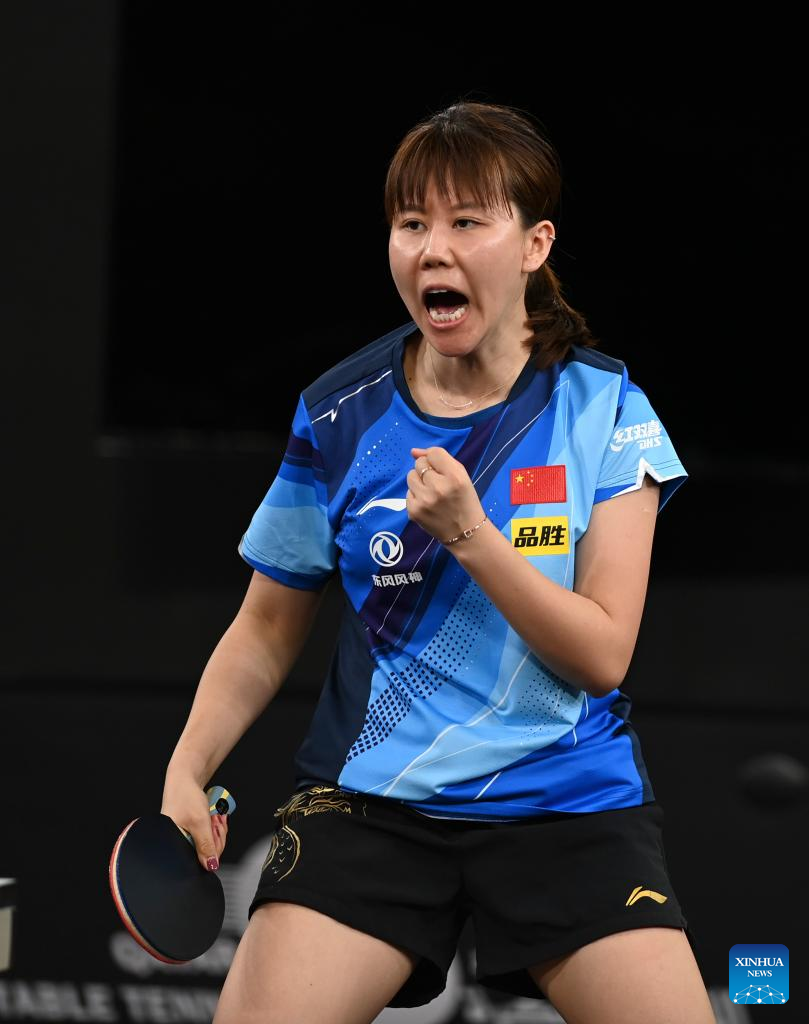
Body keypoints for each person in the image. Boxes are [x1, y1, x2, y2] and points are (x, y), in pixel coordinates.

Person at [161, 100, 717, 1023]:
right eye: (411, 223)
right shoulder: (340, 415)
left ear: (534, 245)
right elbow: (264, 627)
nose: (432, 250)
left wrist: (469, 535)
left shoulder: (606, 410)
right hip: (372, 806)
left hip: (563, 798)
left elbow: (601, 654)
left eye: (466, 222)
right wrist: (188, 766)